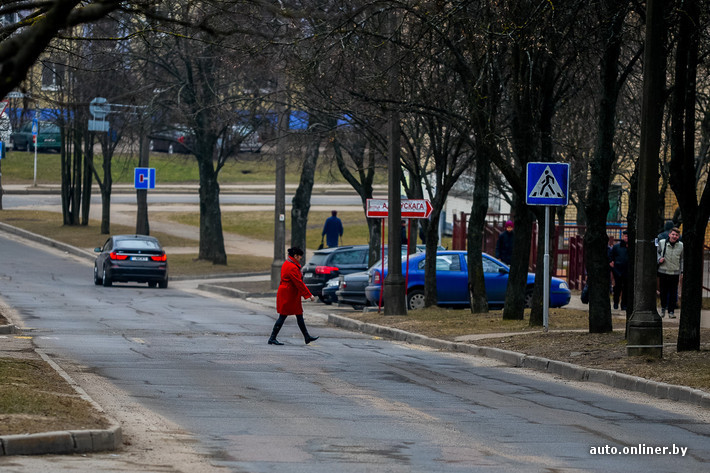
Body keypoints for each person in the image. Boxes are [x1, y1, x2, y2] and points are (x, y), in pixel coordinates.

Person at [268, 247, 320, 345]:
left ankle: (307, 337)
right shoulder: (292, 267)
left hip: (289, 293)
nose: (301, 258)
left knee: (298, 315)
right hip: (288, 294)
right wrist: (309, 295)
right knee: (283, 316)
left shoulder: (288, 263)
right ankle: (272, 338)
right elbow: (299, 283)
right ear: (295, 256)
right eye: (300, 256)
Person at [657, 227, 683, 319]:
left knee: (673, 293)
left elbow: (682, 259)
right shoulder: (662, 242)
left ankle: (671, 311)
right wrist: (659, 259)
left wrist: (682, 271)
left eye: (676, 235)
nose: (674, 236)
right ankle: (663, 309)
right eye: (673, 234)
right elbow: (657, 253)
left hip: (675, 273)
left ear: (678, 236)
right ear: (669, 234)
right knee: (663, 292)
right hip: (663, 271)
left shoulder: (681, 245)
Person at [609, 231, 629, 310]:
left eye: (628, 236)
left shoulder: (631, 247)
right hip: (617, 270)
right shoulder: (616, 247)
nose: (627, 238)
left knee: (626, 288)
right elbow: (611, 257)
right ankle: (616, 303)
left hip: (627, 271)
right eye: (625, 236)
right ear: (622, 236)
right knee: (617, 288)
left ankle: (624, 304)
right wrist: (612, 264)